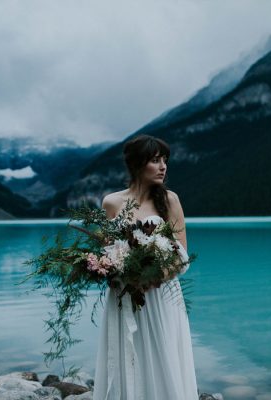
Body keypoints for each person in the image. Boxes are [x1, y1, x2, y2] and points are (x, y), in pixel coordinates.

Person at [93, 134, 198, 400]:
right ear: (137, 164)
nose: (163, 166)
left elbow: (181, 255)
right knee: (128, 357)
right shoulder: (111, 203)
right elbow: (106, 251)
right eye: (155, 160)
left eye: (165, 160)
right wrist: (108, 268)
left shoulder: (170, 200)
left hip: (161, 297)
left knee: (163, 357)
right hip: (123, 295)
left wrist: (151, 277)